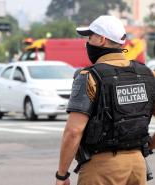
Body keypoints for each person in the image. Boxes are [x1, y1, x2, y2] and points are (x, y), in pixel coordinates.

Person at [55, 15, 155, 185]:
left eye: (90, 37)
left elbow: (73, 131)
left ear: (101, 40)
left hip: (102, 168)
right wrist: (147, 147)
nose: (87, 42)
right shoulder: (147, 74)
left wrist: (62, 174)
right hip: (137, 166)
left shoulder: (89, 76)